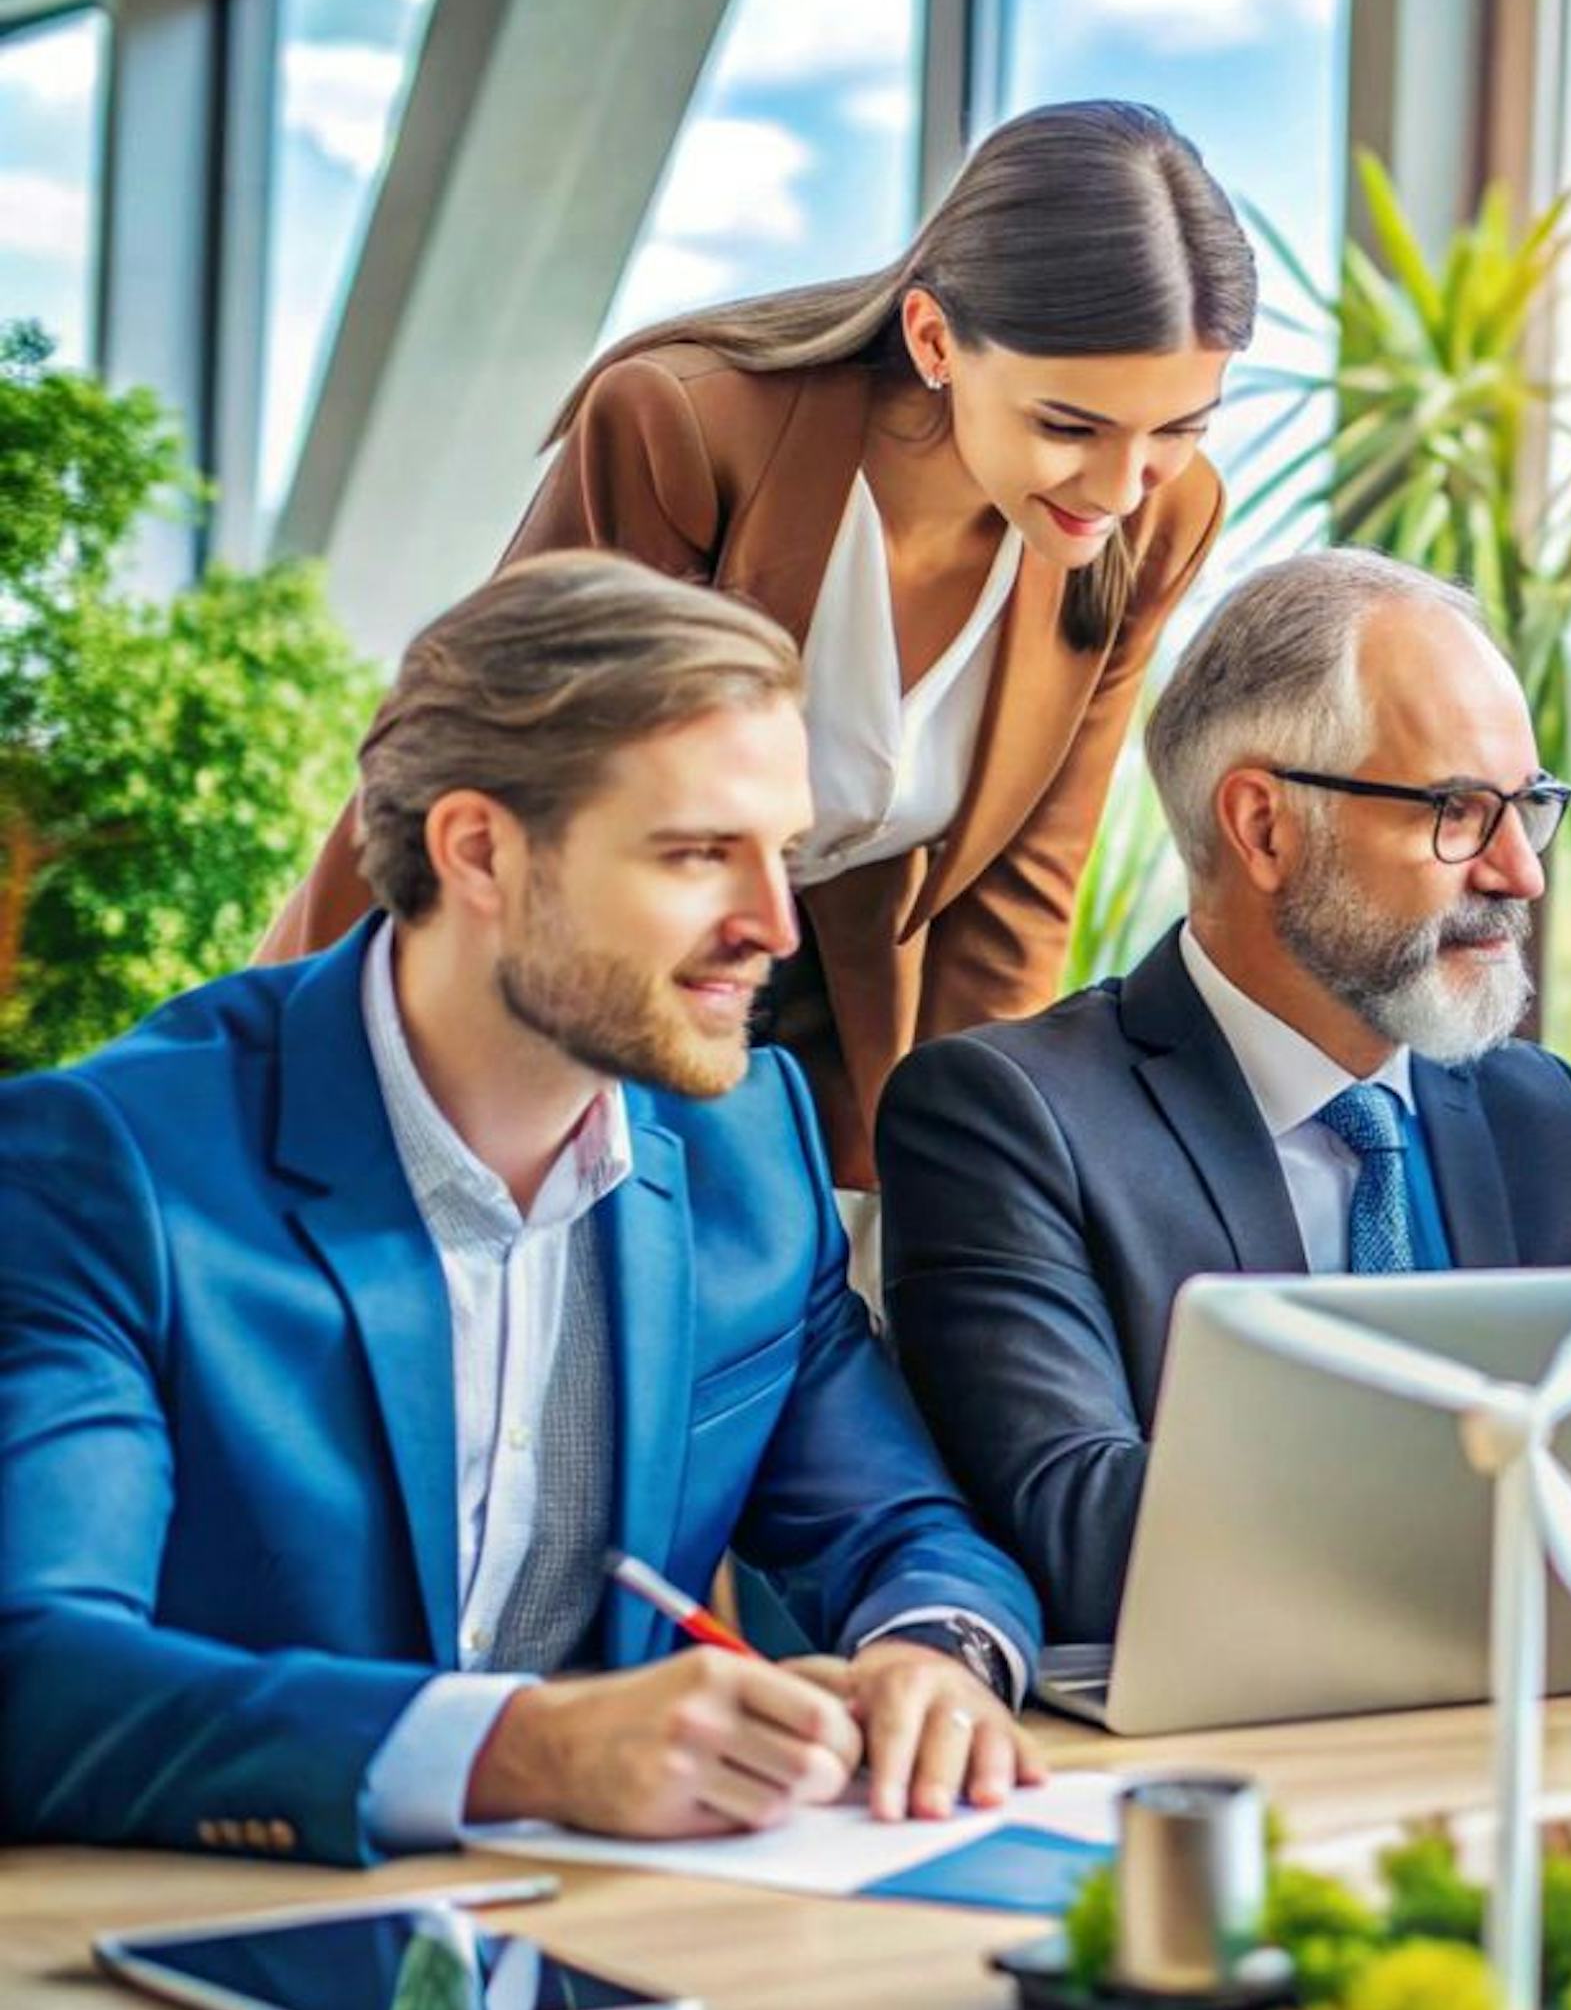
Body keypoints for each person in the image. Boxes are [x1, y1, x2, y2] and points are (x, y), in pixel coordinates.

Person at [0, 554, 1045, 1862]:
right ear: (479, 849)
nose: (778, 924)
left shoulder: (750, 1150)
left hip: (623, 1941)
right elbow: (35, 1668)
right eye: (696, 854)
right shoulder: (108, 1164)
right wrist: (524, 1748)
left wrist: (931, 1657)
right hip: (201, 1946)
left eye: (782, 853)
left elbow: (899, 1525)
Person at [263, 99, 1251, 1196]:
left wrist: (981, 1181)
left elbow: (1020, 886)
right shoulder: (687, 429)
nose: (1121, 486)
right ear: (934, 340)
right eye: (1069, 425)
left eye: (1179, 428)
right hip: (565, 972)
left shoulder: (1156, 517)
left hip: (821, 1033)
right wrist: (329, 1072)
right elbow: (484, 757)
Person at [876, 550, 1571, 1644]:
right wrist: (1511, 1492)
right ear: (1261, 826)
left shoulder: (1545, 1118)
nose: (1517, 872)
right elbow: (1086, 1534)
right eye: (1456, 810)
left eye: (1527, 807)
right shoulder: (1008, 1120)